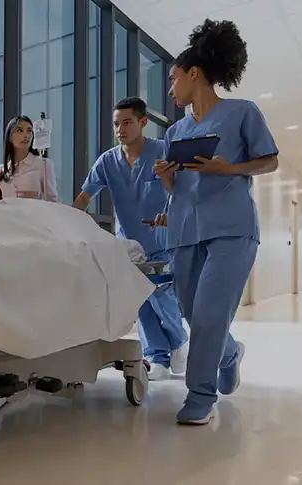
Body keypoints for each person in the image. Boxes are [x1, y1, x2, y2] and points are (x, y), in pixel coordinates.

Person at [153, 20, 280, 425]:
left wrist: (230, 168)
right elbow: (177, 190)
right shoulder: (176, 131)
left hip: (232, 229)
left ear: (194, 74)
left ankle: (199, 397)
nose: (170, 89)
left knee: (208, 315)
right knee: (194, 315)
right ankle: (229, 352)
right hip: (185, 231)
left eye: (173, 79)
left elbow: (270, 160)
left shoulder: (242, 112)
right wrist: (165, 176)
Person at [71, 97, 188, 382]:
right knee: (139, 300)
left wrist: (173, 213)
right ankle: (156, 356)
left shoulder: (163, 151)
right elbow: (85, 197)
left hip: (162, 240)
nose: (120, 129)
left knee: (162, 295)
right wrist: (67, 224)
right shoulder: (108, 161)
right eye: (116, 124)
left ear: (142, 122)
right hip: (129, 245)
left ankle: (179, 340)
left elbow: (184, 190)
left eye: (127, 122)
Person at [0, 115, 59, 202]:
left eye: (29, 131)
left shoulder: (43, 164)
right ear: (9, 137)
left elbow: (52, 200)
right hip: (7, 215)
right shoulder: (1, 170)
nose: (26, 135)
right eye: (19, 130)